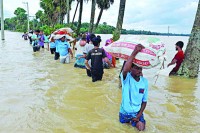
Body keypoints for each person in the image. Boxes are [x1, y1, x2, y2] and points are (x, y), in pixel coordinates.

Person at [119, 44, 148, 131]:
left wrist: (138, 116)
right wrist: (135, 52)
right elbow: (125, 70)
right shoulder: (126, 78)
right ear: (131, 69)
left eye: (141, 69)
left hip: (137, 113)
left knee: (141, 128)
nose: (139, 70)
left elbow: (144, 101)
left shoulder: (144, 81)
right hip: (124, 113)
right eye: (137, 68)